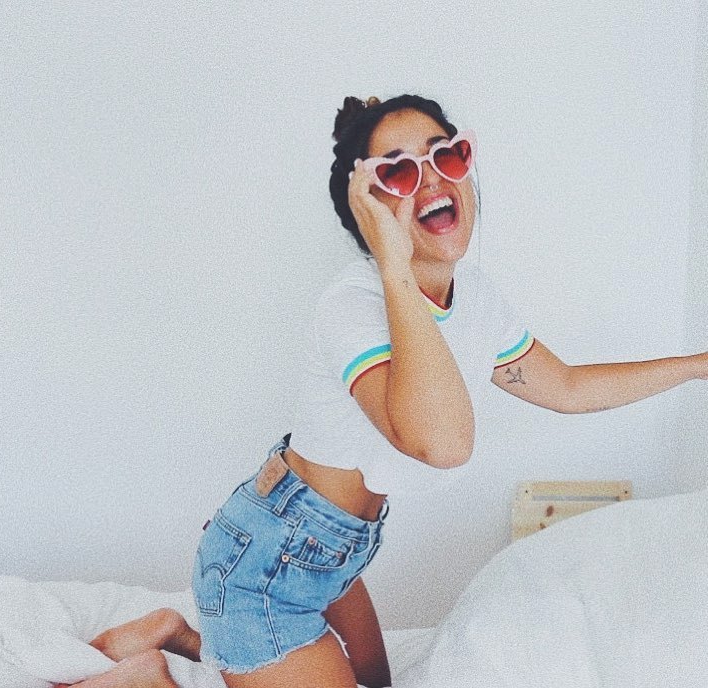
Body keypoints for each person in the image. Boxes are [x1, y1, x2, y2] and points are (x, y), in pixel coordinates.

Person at [57, 94, 708, 688]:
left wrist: (699, 365)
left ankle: (180, 637)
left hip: (332, 553)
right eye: (397, 173)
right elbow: (441, 443)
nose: (431, 180)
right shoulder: (354, 306)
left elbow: (565, 386)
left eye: (445, 155)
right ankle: (150, 675)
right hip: (266, 566)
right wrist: (393, 262)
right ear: (367, 209)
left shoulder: (474, 299)